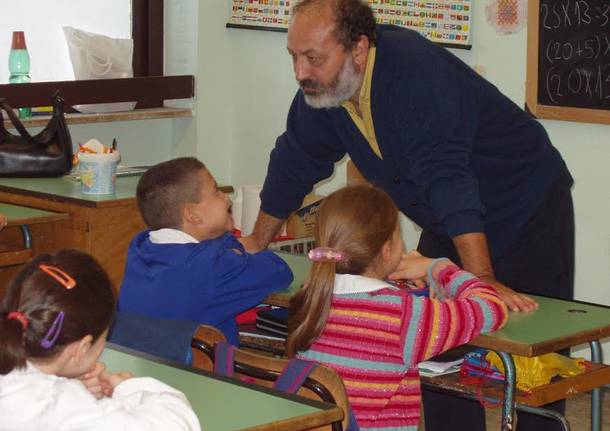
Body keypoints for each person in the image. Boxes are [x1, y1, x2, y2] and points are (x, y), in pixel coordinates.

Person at [241, 2, 573, 428]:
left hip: (526, 202)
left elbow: (448, 176)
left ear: (358, 49)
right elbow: (295, 161)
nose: (300, 72)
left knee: (536, 360)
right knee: (438, 356)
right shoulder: (325, 90)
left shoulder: (414, 72)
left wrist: (481, 279)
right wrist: (257, 241)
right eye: (294, 56)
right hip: (449, 215)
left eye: (313, 58)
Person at [286, 185, 508, 431]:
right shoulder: (404, 314)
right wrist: (437, 267)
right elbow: (492, 308)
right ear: (387, 249)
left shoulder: (309, 298)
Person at [0, 249, 201, 431]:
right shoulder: (57, 406)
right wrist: (131, 388)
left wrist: (66, 380)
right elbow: (180, 424)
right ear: (82, 348)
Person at [119, 157, 293, 345]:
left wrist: (221, 245)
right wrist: (226, 244)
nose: (226, 197)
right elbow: (278, 271)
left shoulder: (140, 248)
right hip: (202, 373)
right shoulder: (211, 266)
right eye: (216, 191)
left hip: (143, 370)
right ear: (192, 214)